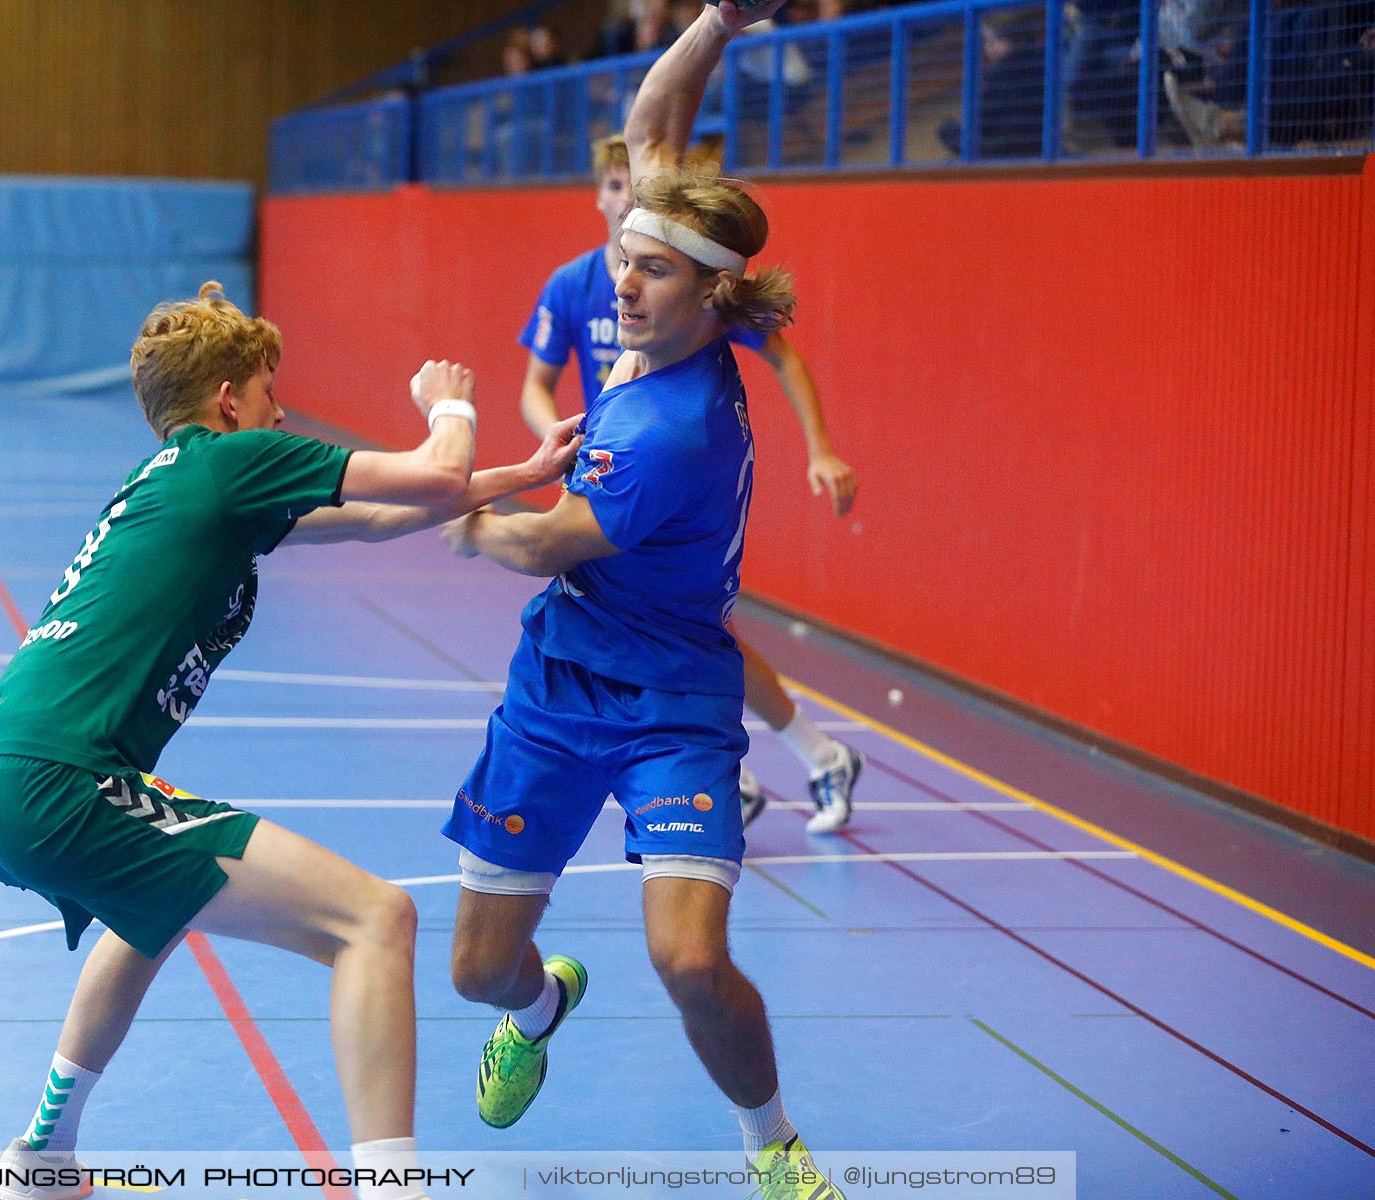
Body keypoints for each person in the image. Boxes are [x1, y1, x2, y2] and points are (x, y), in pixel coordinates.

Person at [0, 283, 582, 1200]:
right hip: (63, 783)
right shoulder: (229, 463)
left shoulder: (176, 480)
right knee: (377, 921)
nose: (280, 412)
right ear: (226, 403)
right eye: (267, 392)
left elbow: (374, 518)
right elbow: (434, 476)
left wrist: (520, 475)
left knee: (150, 917)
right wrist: (451, 403)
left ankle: (43, 1158)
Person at [440, 5, 847, 1198]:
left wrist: (434, 498)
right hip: (555, 687)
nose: (621, 281)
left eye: (649, 269)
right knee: (478, 975)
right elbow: (652, 119)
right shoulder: (657, 300)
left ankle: (772, 1144)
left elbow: (543, 540)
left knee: (687, 959)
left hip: (670, 699)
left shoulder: (679, 426)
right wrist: (720, 19)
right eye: (624, 254)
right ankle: (543, 1002)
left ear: (712, 297)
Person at [518, 130, 863, 836]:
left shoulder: (689, 287)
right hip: (606, 474)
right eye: (611, 185)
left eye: (630, 182)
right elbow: (534, 387)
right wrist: (561, 448)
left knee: (694, 635)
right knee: (682, 639)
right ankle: (784, 763)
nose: (621, 196)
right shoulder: (577, 284)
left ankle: (785, 762)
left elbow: (786, 359)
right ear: (599, 197)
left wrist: (820, 448)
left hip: (663, 488)